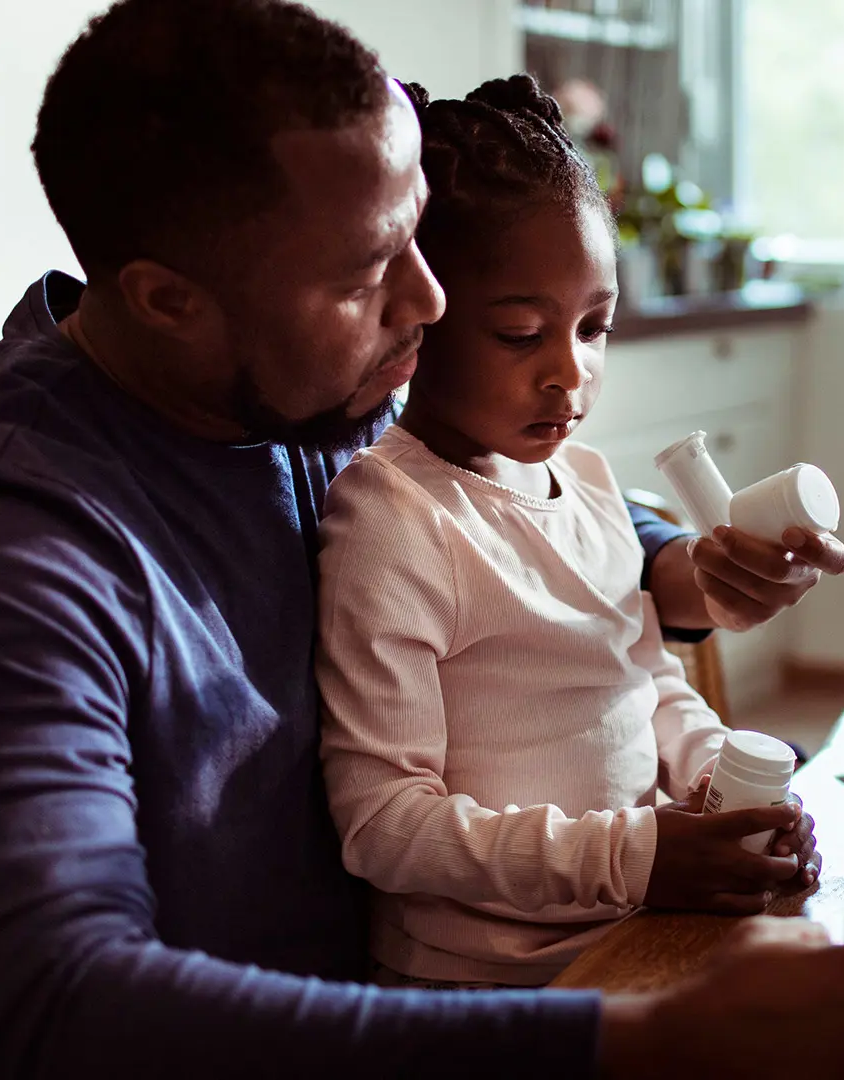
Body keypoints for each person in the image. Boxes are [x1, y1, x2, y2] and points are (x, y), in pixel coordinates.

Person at [0, 2, 844, 1076]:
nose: (430, 303)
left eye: (417, 242)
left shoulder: (312, 378)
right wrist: (639, 1049)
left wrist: (679, 564)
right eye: (367, 273)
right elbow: (40, 1010)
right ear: (166, 299)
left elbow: (493, 488)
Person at [314, 76, 816, 989]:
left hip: (630, 923)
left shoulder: (583, 483)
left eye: (595, 328)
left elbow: (644, 678)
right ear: (421, 310)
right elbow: (386, 824)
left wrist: (720, 779)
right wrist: (639, 857)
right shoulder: (394, 523)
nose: (569, 375)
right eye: (519, 334)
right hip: (488, 980)